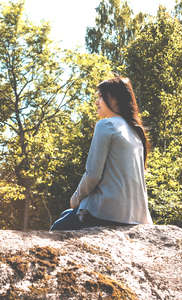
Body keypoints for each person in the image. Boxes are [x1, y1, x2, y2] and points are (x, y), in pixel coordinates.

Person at [50, 76, 153, 231]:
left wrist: (75, 198)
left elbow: (93, 175)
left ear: (114, 100)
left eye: (100, 97)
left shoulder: (106, 125)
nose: (97, 102)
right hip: (137, 216)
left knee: (57, 228)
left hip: (109, 213)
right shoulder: (136, 131)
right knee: (67, 214)